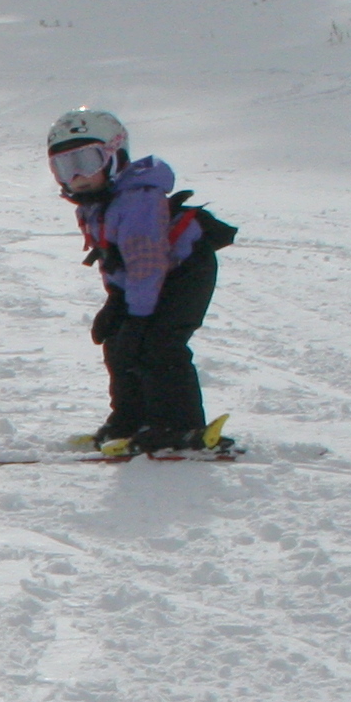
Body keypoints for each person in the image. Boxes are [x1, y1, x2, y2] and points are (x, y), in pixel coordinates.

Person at [46, 107, 231, 456]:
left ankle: (179, 427)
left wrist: (138, 316)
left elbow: (146, 265)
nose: (78, 176)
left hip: (184, 272)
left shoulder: (137, 202)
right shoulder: (96, 203)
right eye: (65, 167)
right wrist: (117, 302)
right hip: (149, 279)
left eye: (87, 161)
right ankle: (130, 420)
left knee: (158, 345)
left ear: (115, 157)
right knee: (118, 344)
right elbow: (116, 259)